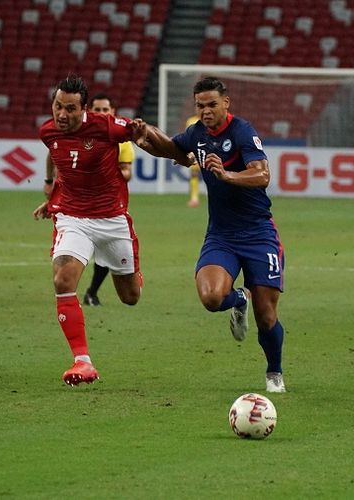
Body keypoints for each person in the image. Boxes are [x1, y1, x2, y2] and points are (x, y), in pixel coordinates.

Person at [135, 76, 287, 393]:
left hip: (259, 234)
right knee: (211, 297)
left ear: (226, 103)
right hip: (221, 235)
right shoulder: (197, 134)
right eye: (200, 105)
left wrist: (227, 174)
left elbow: (263, 175)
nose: (205, 111)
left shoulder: (242, 131)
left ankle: (274, 372)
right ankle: (238, 298)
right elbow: (174, 149)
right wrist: (145, 134)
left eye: (212, 105)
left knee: (267, 317)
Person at [32, 75, 187, 385]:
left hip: (112, 220)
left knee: (131, 296)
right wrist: (52, 191)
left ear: (84, 109)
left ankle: (132, 271)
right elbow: (57, 153)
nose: (62, 115)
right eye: (57, 107)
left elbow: (143, 133)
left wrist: (177, 155)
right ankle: (82, 361)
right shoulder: (48, 131)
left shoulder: (105, 126)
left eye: (70, 109)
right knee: (63, 277)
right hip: (72, 218)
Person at [43, 93, 135, 307]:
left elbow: (127, 172)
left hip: (111, 207)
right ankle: (92, 292)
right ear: (88, 110)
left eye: (106, 110)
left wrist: (109, 172)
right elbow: (55, 157)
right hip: (78, 211)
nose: (101, 113)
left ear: (112, 111)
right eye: (97, 109)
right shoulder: (70, 131)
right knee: (73, 269)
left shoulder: (119, 138)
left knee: (130, 294)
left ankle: (94, 291)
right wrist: (51, 188)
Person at [185, 115, 201, 207]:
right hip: (195, 151)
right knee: (194, 174)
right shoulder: (190, 120)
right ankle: (194, 198)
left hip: (208, 150)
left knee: (213, 174)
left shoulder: (209, 120)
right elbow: (187, 136)